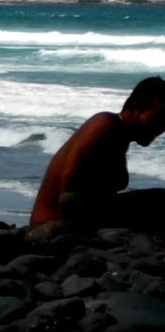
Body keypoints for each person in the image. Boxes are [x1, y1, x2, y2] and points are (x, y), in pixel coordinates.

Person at [30, 76, 165, 231]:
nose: (160, 129)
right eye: (157, 120)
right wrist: (65, 228)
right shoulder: (105, 123)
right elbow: (69, 176)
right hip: (50, 224)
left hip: (85, 216)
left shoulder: (120, 137)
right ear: (134, 109)